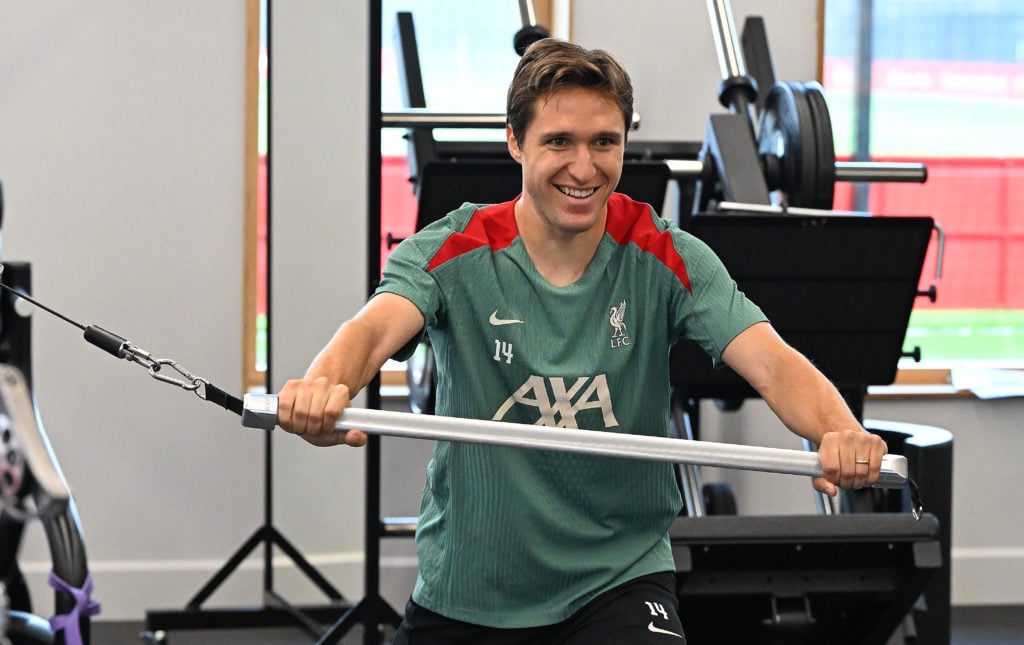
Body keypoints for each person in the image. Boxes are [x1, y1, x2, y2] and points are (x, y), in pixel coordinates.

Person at [276, 38, 887, 645]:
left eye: (604, 142)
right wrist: (324, 386)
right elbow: (372, 328)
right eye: (558, 141)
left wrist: (838, 429)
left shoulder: (665, 255)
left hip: (618, 579)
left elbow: (773, 363)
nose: (584, 167)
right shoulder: (454, 249)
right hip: (473, 587)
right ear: (515, 142)